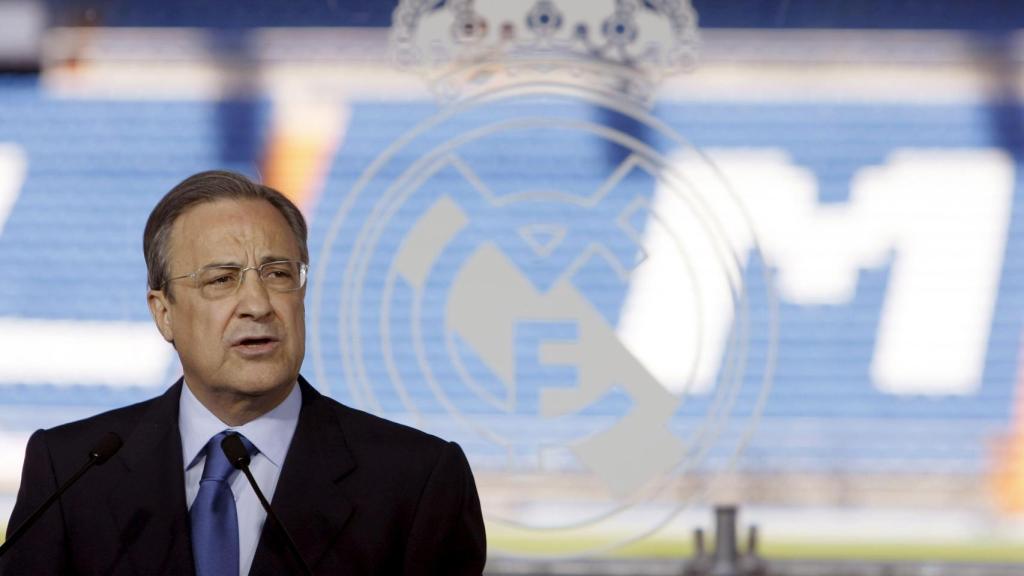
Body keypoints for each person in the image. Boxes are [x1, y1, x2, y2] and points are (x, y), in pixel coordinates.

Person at [1, 171, 486, 575]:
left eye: (278, 274)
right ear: (163, 312)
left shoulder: (417, 481)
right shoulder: (72, 470)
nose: (258, 305)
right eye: (220, 279)